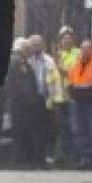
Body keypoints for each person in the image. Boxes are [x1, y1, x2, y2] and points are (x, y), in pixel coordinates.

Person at [66, 38, 92, 170]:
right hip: (79, 101)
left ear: (91, 49)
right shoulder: (76, 64)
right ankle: (85, 157)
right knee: (80, 130)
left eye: (87, 48)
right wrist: (73, 90)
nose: (84, 51)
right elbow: (71, 81)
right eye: (83, 48)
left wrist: (86, 88)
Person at [5, 38, 42, 168]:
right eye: (28, 49)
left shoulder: (14, 61)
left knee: (19, 132)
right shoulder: (18, 62)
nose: (29, 52)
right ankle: (18, 161)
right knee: (21, 132)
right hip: (21, 105)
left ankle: (18, 160)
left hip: (17, 103)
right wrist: (31, 100)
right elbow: (23, 85)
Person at [25, 34, 59, 167]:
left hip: (46, 99)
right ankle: (33, 159)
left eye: (37, 44)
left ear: (42, 45)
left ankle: (42, 159)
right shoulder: (28, 60)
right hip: (32, 100)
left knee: (44, 131)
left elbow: (55, 80)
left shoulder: (49, 61)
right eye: (33, 45)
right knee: (32, 130)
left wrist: (55, 98)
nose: (35, 47)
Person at [51, 27, 81, 167]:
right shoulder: (56, 55)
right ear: (60, 41)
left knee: (74, 127)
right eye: (64, 39)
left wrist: (61, 66)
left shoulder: (78, 54)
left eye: (69, 39)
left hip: (73, 98)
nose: (67, 41)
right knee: (61, 128)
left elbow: (72, 72)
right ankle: (61, 157)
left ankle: (75, 156)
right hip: (58, 98)